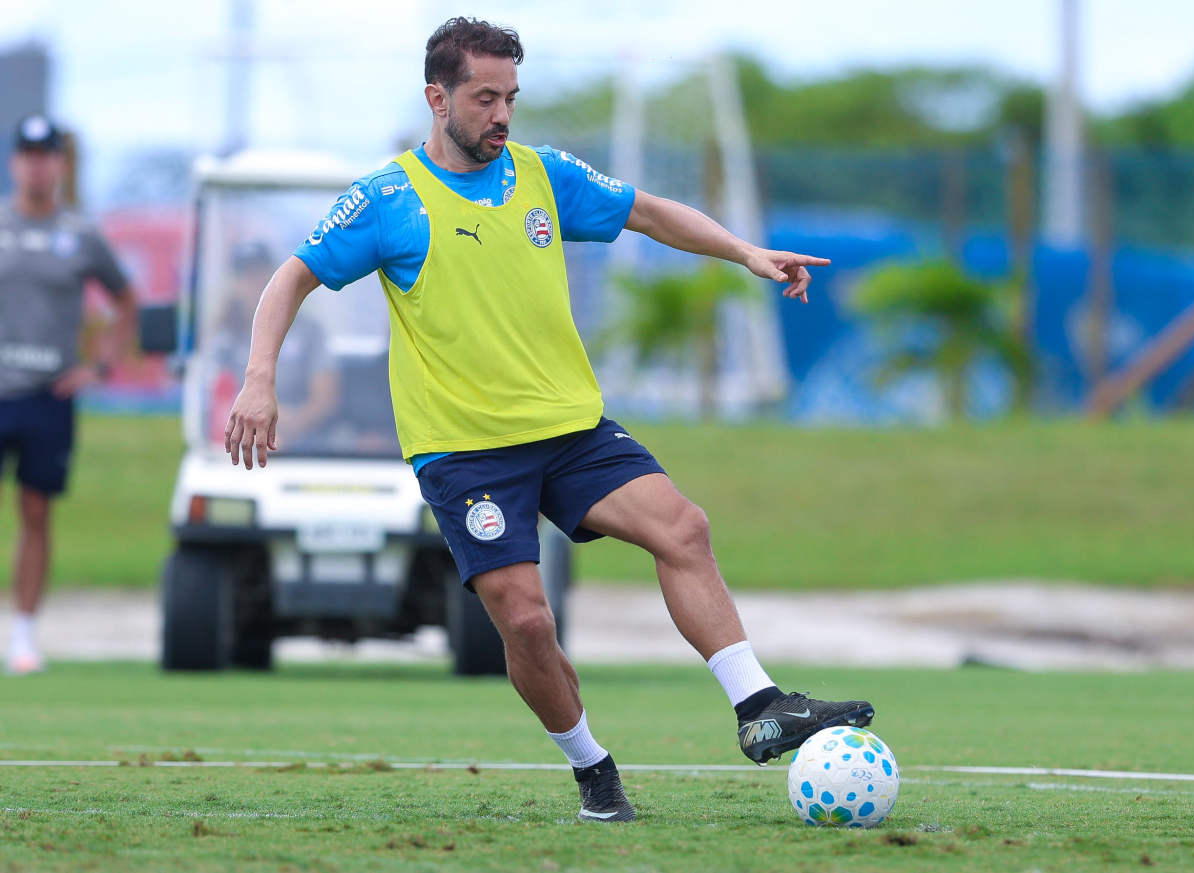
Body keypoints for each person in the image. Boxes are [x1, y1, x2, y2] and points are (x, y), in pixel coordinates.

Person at [224, 17, 874, 822]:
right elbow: (289, 279)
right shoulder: (388, 200)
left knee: (683, 527)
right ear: (438, 97)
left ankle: (759, 707)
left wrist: (745, 252)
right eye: (484, 98)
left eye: (511, 98)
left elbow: (648, 212)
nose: (502, 115)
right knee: (527, 620)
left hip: (569, 428)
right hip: (465, 451)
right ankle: (594, 772)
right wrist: (259, 379)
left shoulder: (542, 175)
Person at [0, 115, 135, 675]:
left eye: (46, 154)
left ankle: (25, 635)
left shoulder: (80, 233)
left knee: (36, 511)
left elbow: (125, 301)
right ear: (15, 162)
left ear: (59, 163)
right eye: (27, 154)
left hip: (48, 395)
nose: (36, 164)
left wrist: (97, 366)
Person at [206, 240, 337, 451]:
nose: (254, 283)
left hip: (308, 445)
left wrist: (287, 425)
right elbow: (218, 399)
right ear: (235, 284)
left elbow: (325, 397)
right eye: (246, 276)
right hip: (242, 443)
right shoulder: (223, 342)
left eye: (260, 274)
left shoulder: (309, 331)